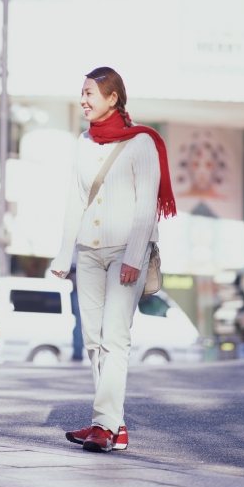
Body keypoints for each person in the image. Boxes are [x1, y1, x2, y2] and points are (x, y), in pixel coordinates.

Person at [50, 67, 176, 453]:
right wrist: (63, 253)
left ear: (113, 98)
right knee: (92, 340)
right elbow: (75, 199)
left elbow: (146, 206)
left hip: (126, 252)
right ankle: (114, 428)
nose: (84, 100)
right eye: (82, 93)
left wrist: (135, 256)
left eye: (90, 93)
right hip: (88, 251)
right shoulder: (83, 143)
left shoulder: (142, 143)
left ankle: (102, 424)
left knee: (114, 339)